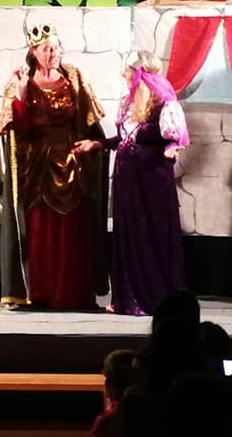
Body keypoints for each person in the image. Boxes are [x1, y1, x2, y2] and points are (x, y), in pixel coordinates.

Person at [0, 23, 108, 310]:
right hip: (39, 167)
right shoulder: (20, 82)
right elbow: (18, 130)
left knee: (74, 232)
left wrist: (95, 145)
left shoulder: (74, 77)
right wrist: (22, 94)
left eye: (57, 48)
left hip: (73, 163)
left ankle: (75, 295)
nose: (53, 53)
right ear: (33, 52)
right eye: (47, 49)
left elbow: (90, 121)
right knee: (42, 232)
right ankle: (41, 294)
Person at [73, 51, 189, 315]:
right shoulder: (128, 103)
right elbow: (126, 139)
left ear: (139, 75)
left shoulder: (163, 104)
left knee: (151, 234)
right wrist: (99, 144)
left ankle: (155, 298)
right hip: (128, 180)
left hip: (151, 181)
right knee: (128, 232)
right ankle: (128, 298)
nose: (124, 76)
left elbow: (173, 138)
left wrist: (171, 147)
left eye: (127, 72)